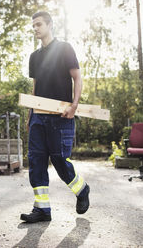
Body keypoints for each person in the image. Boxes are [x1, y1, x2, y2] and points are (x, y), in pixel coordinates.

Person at [20, 11, 90, 223]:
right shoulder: (34, 57)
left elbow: (77, 77)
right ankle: (42, 209)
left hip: (61, 116)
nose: (35, 28)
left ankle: (82, 189)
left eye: (39, 24)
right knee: (36, 160)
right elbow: (35, 86)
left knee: (59, 159)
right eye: (33, 25)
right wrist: (30, 114)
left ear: (50, 25)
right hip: (38, 118)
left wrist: (74, 105)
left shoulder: (64, 48)